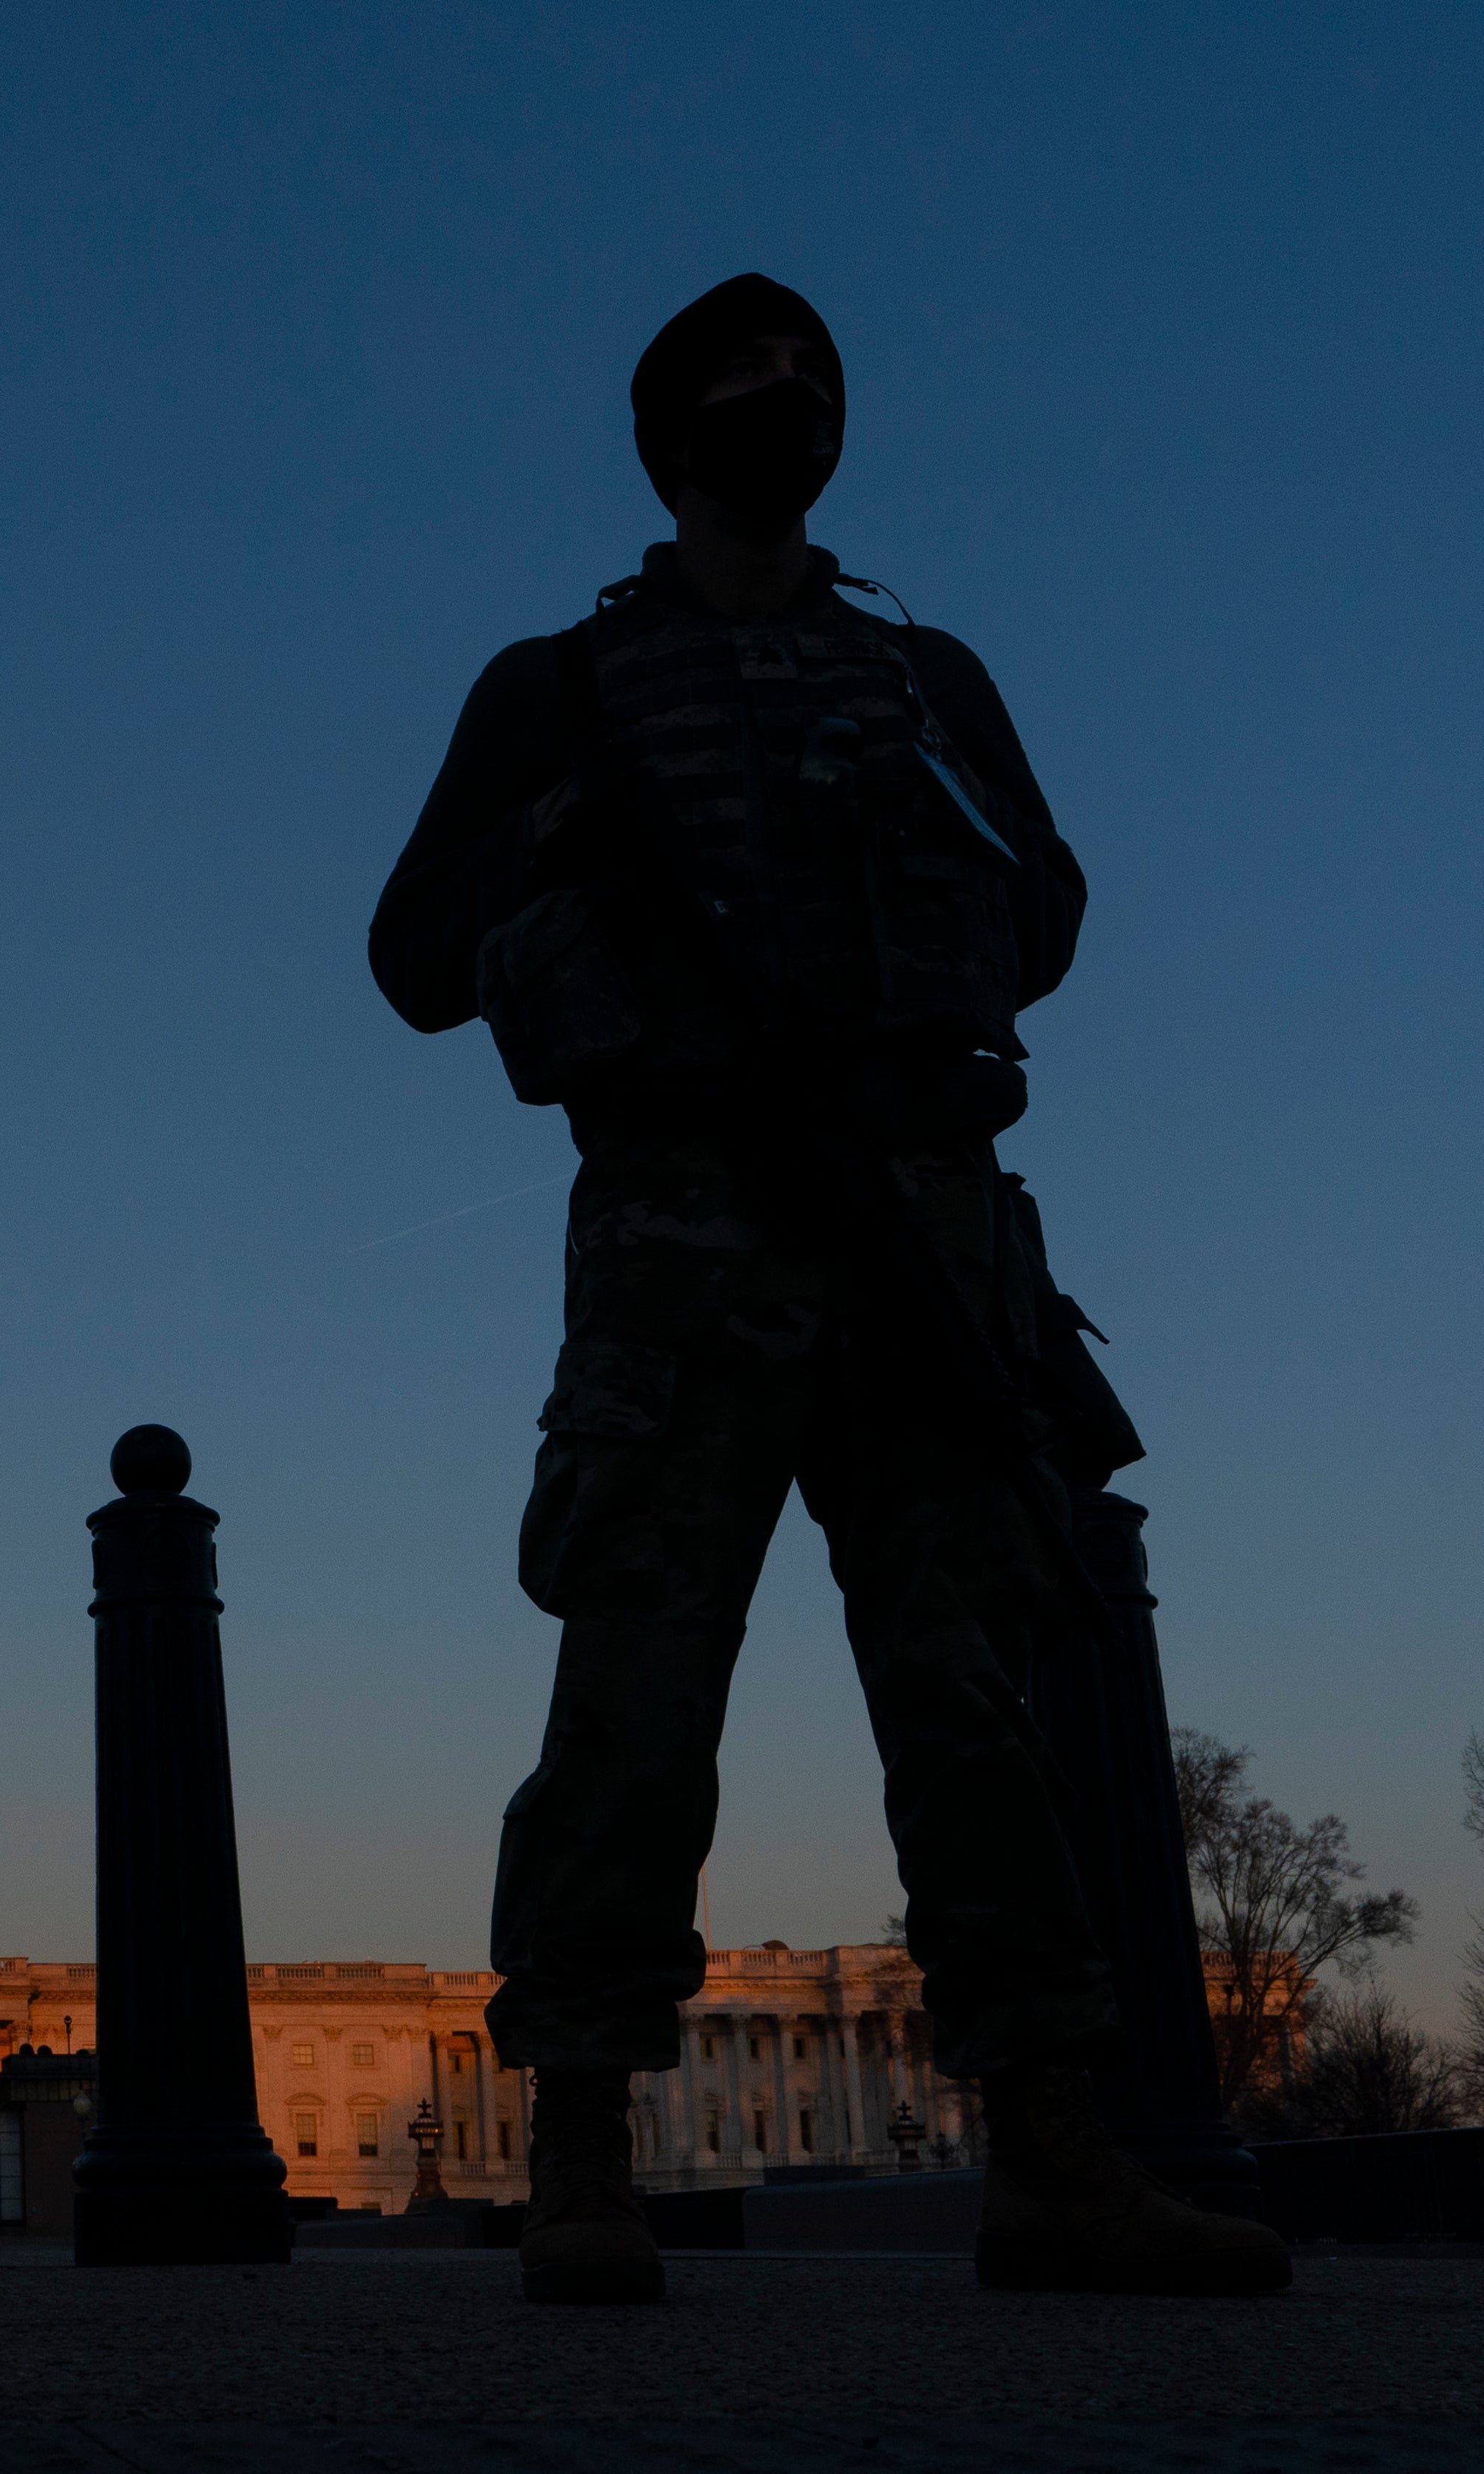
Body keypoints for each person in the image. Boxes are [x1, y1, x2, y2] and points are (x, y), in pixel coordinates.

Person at [370, 274, 1285, 2305]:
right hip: (687, 1236)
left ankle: (1056, 2145)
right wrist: (585, 841)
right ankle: (590, 2142)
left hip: (914, 1221)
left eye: (818, 378)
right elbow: (417, 954)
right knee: (635, 1692)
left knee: (976, 1693)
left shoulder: (923, 674)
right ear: (667, 431)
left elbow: (1042, 914)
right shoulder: (563, 686)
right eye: (748, 377)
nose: (790, 399)